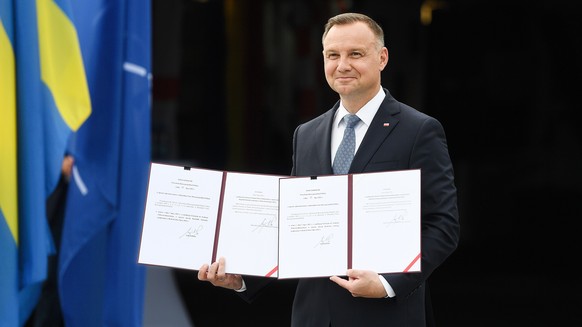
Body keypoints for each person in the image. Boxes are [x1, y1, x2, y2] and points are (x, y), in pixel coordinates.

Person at [198, 12, 460, 327]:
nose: (343, 65)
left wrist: (388, 283)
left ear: (382, 58)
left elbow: (442, 225)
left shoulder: (418, 130)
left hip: (386, 315)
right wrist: (242, 277)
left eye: (356, 54)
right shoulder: (306, 134)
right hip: (313, 316)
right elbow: (293, 226)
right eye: (332, 55)